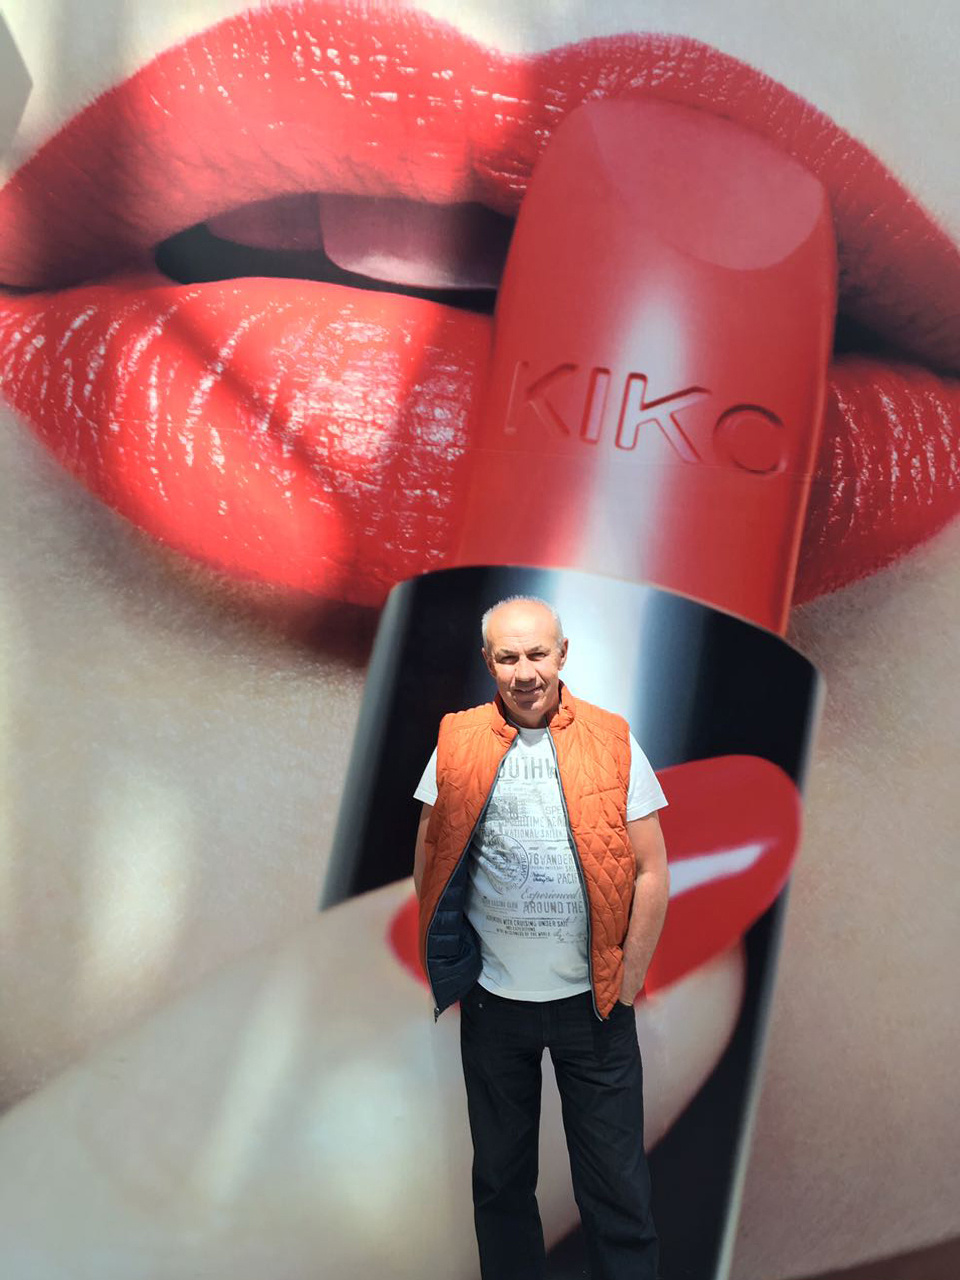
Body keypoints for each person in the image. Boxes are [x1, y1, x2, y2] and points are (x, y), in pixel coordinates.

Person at [412, 596, 670, 1280]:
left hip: (595, 1006)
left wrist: (629, 979)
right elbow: (430, 857)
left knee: (617, 1193)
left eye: (537, 654)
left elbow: (652, 869)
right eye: (507, 657)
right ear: (488, 661)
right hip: (495, 1006)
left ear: (563, 654)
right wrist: (455, 958)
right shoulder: (457, 740)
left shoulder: (612, 738)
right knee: (501, 1187)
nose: (524, 672)